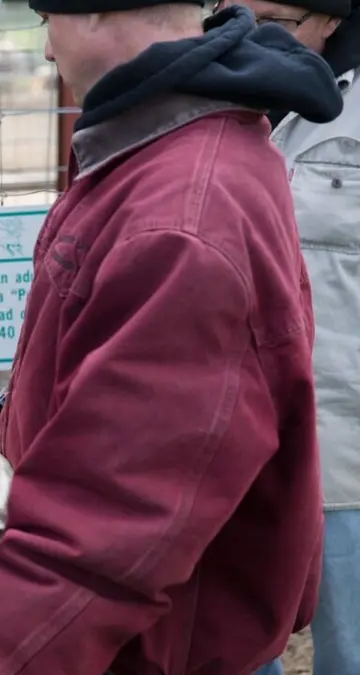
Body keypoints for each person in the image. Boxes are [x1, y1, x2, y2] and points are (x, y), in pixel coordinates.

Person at [0, 0, 345, 672]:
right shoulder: (157, 156)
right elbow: (148, 430)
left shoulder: (182, 221)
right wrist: (4, 438)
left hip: (152, 646)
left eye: (47, 23)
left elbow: (106, 528)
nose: (45, 53)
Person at [212, 1, 358, 674]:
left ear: (329, 16)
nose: (248, 25)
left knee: (350, 644)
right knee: (231, 639)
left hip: (345, 448)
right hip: (229, 439)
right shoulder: (213, 98)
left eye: (271, 13)